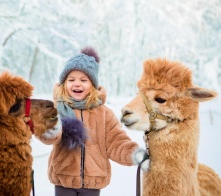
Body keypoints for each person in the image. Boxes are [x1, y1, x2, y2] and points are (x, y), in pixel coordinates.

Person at [38, 47, 148, 196]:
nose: (77, 84)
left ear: (93, 85)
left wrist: (134, 154)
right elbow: (49, 136)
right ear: (64, 84)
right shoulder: (56, 110)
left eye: (83, 80)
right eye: (71, 80)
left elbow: (116, 141)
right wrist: (47, 128)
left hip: (93, 181)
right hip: (63, 178)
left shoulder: (104, 114)